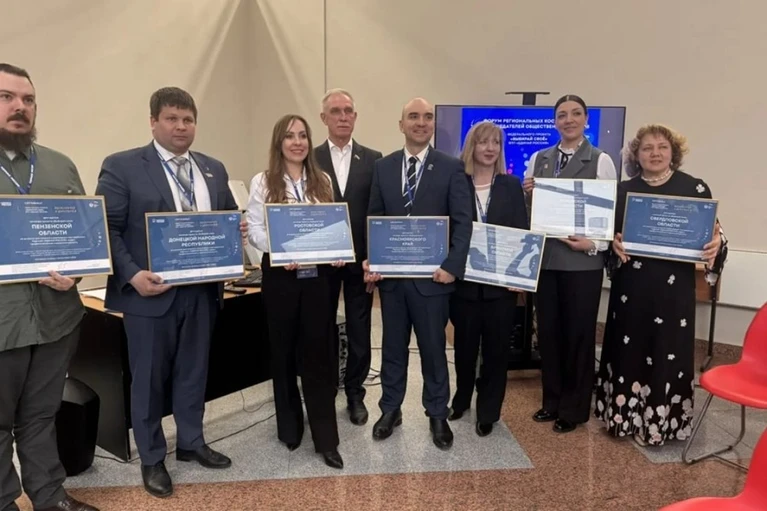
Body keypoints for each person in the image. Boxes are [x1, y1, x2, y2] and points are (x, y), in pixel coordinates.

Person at [95, 87, 244, 498]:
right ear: (153, 122)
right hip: (149, 294)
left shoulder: (212, 168)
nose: (181, 127)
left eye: (188, 119)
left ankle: (192, 442)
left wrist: (236, 231)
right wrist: (132, 275)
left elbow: (224, 220)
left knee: (194, 372)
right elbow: (107, 227)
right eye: (172, 118)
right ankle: (152, 457)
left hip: (201, 294)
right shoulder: (123, 166)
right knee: (148, 380)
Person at [0, 63, 99, 511]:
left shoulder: (60, 165)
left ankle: (48, 496)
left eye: (28, 99)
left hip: (56, 317)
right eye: (6, 97)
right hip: (4, 322)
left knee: (42, 413)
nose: (19, 107)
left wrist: (76, 272)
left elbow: (85, 234)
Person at [594, 124, 726, 446]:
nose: (655, 153)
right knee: (629, 351)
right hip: (631, 290)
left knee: (668, 352)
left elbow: (716, 234)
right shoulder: (623, 191)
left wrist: (717, 244)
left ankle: (661, 424)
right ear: (636, 155)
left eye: (662, 147)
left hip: (673, 293)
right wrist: (613, 243)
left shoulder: (695, 189)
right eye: (647, 148)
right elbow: (606, 238)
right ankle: (623, 419)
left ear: (673, 152)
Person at [365, 97, 472, 450]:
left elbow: (463, 223)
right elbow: (375, 219)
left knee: (433, 350)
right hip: (393, 283)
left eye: (427, 117)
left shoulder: (451, 167)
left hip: (434, 281)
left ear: (433, 125)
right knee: (392, 349)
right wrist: (373, 261)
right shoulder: (383, 167)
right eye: (413, 116)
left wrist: (452, 267)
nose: (421, 122)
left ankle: (437, 414)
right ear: (401, 124)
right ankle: (390, 409)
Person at [246, 114, 345, 469]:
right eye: (290, 136)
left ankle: (326, 438)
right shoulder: (263, 181)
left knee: (318, 355)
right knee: (283, 353)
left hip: (318, 279)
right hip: (281, 278)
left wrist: (338, 250)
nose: (298, 142)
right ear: (279, 142)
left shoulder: (322, 180)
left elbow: (334, 224)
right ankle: (289, 428)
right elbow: (254, 230)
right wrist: (279, 249)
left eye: (303, 135)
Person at [523, 94, 617, 434]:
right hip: (547, 261)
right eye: (562, 115)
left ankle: (574, 409)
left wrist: (595, 244)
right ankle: (552, 401)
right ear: (554, 122)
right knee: (548, 335)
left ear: (586, 119)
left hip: (582, 263)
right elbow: (531, 215)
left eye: (576, 113)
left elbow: (609, 212)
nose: (569, 120)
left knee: (578, 336)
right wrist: (527, 194)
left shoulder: (600, 160)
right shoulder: (540, 159)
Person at [447, 121, 528, 437]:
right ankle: (462, 398)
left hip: (500, 287)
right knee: (464, 348)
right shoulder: (457, 182)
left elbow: (520, 231)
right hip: (464, 284)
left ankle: (488, 411)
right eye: (483, 142)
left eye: (495, 142)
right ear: (472, 146)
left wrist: (519, 276)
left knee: (496, 351)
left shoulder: (511, 185)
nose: (490, 148)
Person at [313, 89, 383, 425]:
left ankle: (355, 392)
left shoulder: (374, 159)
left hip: (360, 263)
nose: (343, 117)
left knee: (359, 328)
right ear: (323, 118)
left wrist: (374, 260)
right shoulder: (309, 158)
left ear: (355, 116)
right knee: (321, 326)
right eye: (336, 111)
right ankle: (325, 389)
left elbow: (377, 212)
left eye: (348, 111)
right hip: (321, 262)